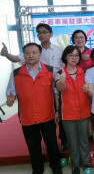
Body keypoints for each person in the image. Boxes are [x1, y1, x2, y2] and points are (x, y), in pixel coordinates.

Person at [1, 23, 67, 151]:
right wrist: (6, 54)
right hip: (39, 86)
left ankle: (63, 140)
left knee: (60, 115)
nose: (41, 34)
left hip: (56, 85)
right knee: (43, 116)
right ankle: (49, 144)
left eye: (44, 32)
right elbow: (16, 58)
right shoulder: (32, 50)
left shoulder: (59, 50)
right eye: (39, 32)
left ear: (51, 34)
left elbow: (65, 66)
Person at [6, 42, 62, 174]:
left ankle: (56, 166)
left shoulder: (50, 71)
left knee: (52, 144)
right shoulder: (16, 74)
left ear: (40, 54)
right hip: (27, 117)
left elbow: (56, 94)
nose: (31, 55)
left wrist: (58, 111)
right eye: (27, 53)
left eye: (34, 52)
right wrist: (10, 100)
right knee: (33, 146)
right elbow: (10, 94)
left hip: (47, 115)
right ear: (23, 55)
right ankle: (37, 169)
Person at [55, 45, 91, 174]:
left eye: (76, 55)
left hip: (84, 112)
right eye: (71, 55)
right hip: (68, 114)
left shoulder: (84, 73)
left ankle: (86, 162)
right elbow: (60, 88)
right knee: (72, 141)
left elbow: (90, 91)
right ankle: (75, 164)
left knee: (84, 139)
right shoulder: (59, 74)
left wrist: (89, 91)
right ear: (65, 57)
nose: (74, 58)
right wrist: (63, 82)